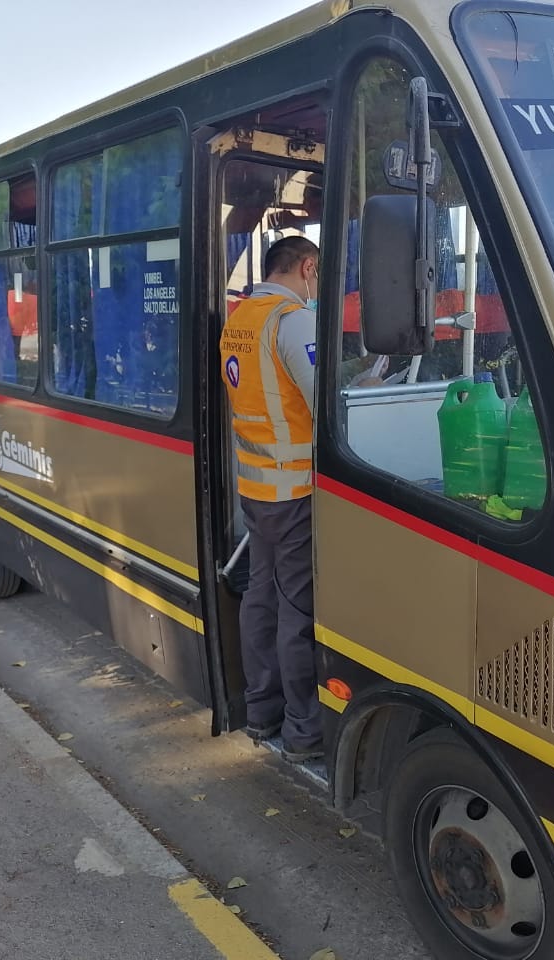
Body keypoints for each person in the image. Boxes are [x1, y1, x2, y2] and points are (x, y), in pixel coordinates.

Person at [219, 236, 325, 763]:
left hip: (256, 490)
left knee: (261, 598)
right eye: (319, 276)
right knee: (297, 611)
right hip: (295, 493)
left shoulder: (241, 320)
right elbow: (325, 405)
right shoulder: (293, 321)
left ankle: (261, 711)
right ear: (308, 268)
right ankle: (305, 732)